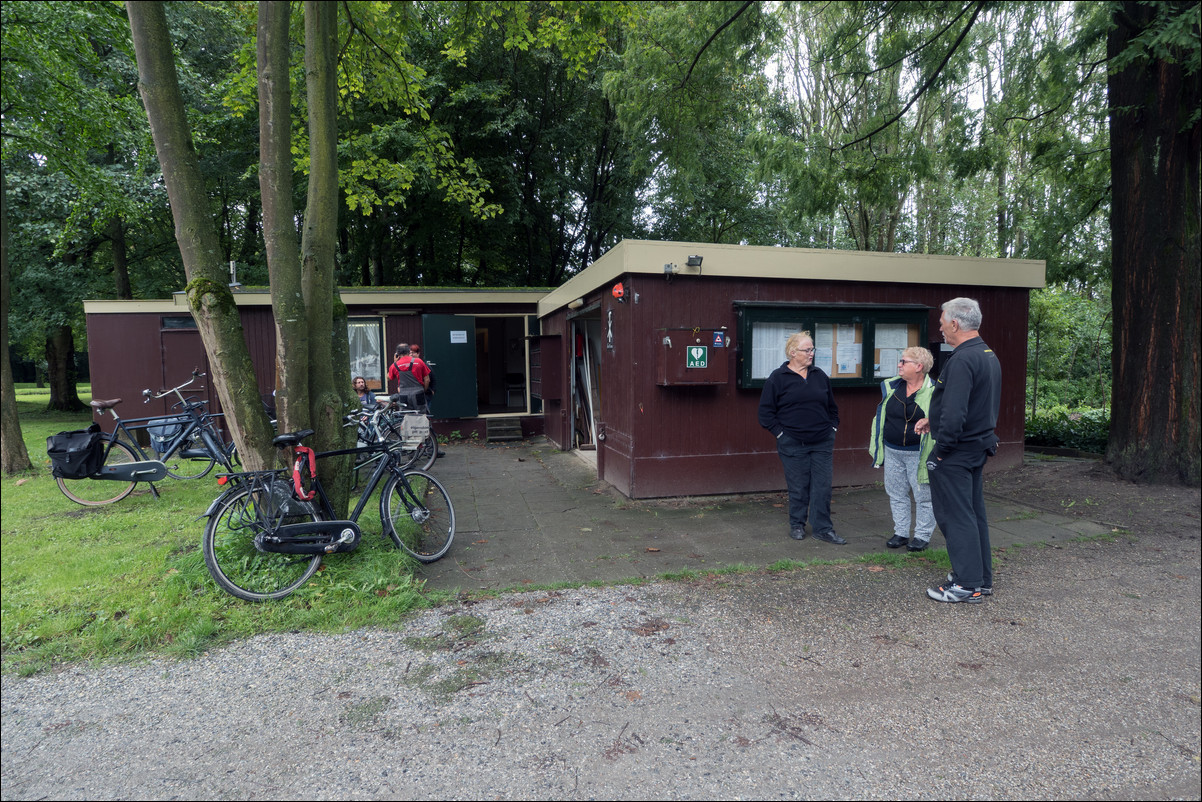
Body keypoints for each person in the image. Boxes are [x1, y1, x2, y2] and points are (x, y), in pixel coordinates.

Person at [915, 298, 1002, 604]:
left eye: (941, 322)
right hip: (977, 447)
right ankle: (981, 579)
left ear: (954, 324)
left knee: (956, 517)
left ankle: (967, 586)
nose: (939, 327)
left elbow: (956, 414)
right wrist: (933, 419)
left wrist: (940, 452)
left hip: (957, 451)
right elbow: (973, 406)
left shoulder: (963, 360)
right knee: (973, 514)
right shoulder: (986, 354)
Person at [758, 331, 844, 545]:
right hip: (793, 443)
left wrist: (832, 428)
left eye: (812, 349)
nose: (811, 353)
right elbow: (765, 414)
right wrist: (781, 434)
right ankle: (797, 525)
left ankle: (823, 529)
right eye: (807, 350)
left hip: (822, 441)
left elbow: (832, 408)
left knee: (822, 487)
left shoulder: (819, 376)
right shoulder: (778, 378)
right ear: (792, 352)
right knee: (798, 486)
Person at [868, 346, 937, 552]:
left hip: (919, 453)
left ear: (918, 366)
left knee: (924, 496)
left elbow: (944, 418)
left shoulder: (935, 391)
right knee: (896, 493)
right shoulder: (891, 387)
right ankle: (901, 533)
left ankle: (922, 536)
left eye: (903, 361)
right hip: (892, 450)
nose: (899, 365)